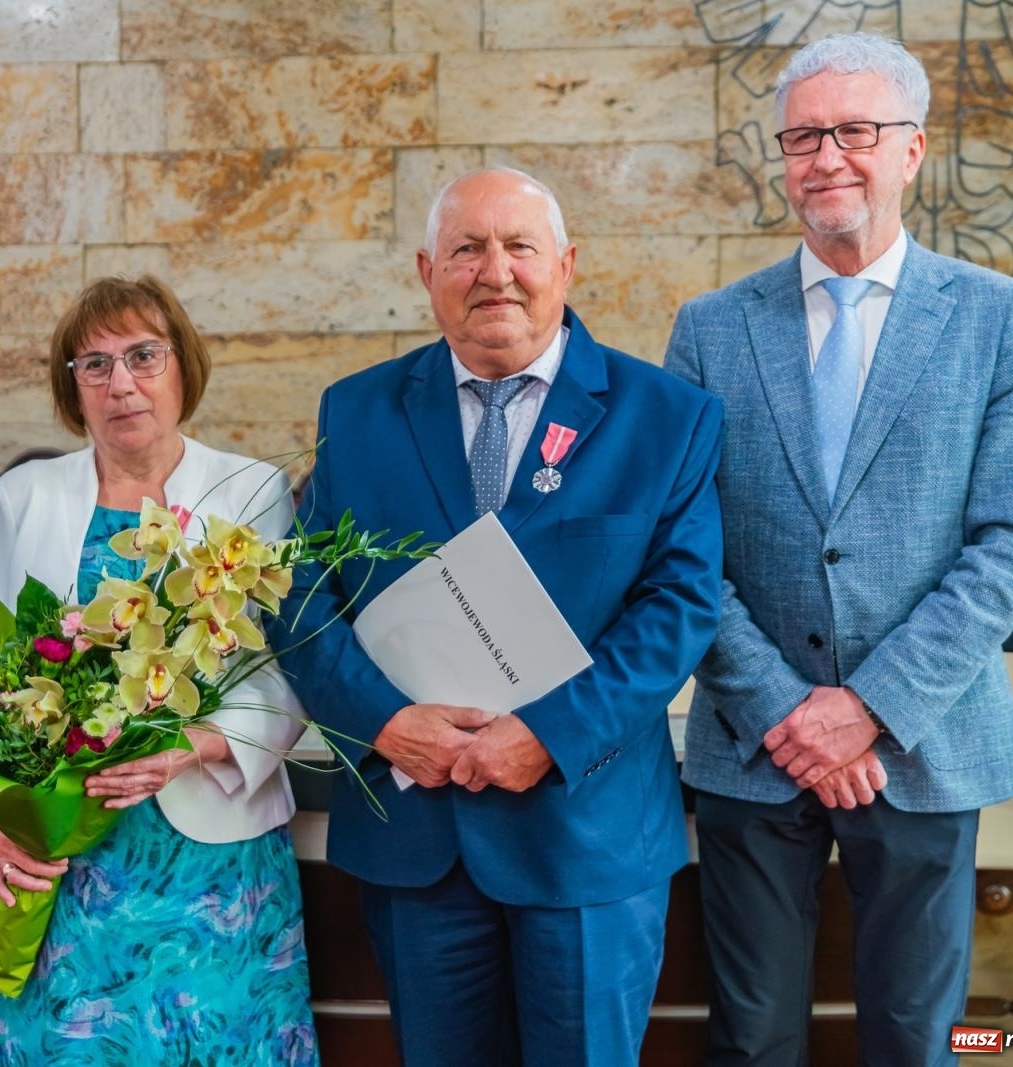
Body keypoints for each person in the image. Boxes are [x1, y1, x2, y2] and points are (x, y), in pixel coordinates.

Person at [268, 167, 725, 1064]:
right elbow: (305, 601)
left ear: (567, 263)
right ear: (426, 270)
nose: (495, 271)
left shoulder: (666, 417)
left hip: (584, 835)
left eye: (519, 246)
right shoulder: (355, 411)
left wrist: (547, 734)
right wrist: (388, 723)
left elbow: (679, 607)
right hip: (418, 838)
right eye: (467, 249)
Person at [663, 32, 1013, 1065]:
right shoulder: (709, 327)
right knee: (749, 1039)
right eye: (802, 135)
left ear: (911, 150)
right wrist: (787, 710)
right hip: (756, 744)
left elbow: (1008, 541)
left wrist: (866, 705)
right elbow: (684, 544)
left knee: (918, 1040)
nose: (825, 156)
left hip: (920, 743)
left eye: (853, 131)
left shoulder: (998, 317)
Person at [0, 275, 317, 1066]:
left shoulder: (250, 491)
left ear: (180, 364)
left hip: (215, 865)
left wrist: (195, 743)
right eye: (93, 365)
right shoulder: (24, 496)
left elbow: (291, 674)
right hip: (70, 864)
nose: (121, 382)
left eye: (142, 355)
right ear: (73, 390)